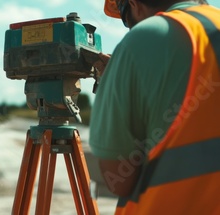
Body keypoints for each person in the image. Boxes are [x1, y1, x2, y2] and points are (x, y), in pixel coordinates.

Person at [89, 0, 220, 214]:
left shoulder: (141, 39)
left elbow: (118, 179)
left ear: (134, 4)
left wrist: (115, 82)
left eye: (124, 17)